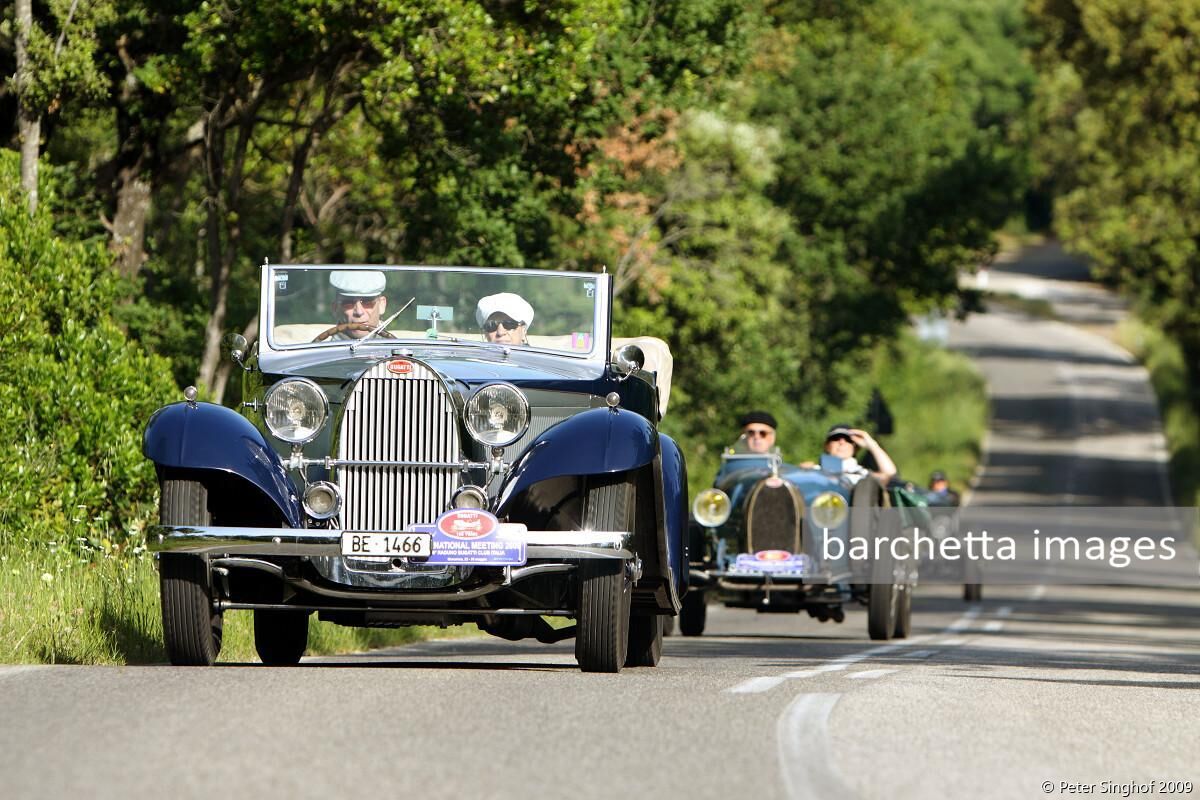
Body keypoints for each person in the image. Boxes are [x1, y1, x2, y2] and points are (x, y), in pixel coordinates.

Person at [809, 423, 897, 488]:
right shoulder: (813, 470)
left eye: (848, 439)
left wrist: (872, 444)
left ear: (855, 448)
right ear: (827, 446)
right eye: (835, 438)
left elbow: (889, 473)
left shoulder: (862, 475)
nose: (841, 442)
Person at [326, 270, 388, 340]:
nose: (359, 312)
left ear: (381, 305)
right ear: (335, 308)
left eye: (367, 302)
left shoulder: (398, 348)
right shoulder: (320, 349)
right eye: (348, 303)